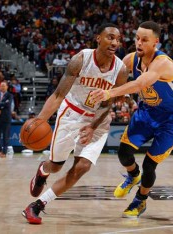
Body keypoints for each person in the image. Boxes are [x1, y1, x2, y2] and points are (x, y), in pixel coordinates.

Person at [22, 23, 128, 224]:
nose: (115, 42)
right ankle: (42, 171)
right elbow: (59, 94)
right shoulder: (81, 59)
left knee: (82, 167)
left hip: (97, 121)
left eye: (118, 39)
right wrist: (40, 120)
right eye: (110, 37)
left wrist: (93, 126)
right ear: (98, 38)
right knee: (55, 166)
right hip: (71, 114)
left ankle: (37, 205)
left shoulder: (120, 70)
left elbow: (108, 105)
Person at [90, 21, 173, 218]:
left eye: (144, 40)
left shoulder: (163, 63)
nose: (139, 43)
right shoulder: (131, 59)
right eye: (137, 38)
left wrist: (109, 93)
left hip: (172, 118)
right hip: (147, 112)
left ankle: (140, 200)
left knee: (149, 164)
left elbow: (140, 83)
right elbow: (111, 72)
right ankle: (133, 175)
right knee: (124, 153)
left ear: (156, 42)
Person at [0, 81, 13, 158]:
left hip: (6, 119)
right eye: (1, 86)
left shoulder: (9, 95)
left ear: (7, 87)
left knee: (5, 136)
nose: (2, 87)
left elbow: (7, 104)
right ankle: (0, 150)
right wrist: (0, 105)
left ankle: (4, 152)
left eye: (4, 86)